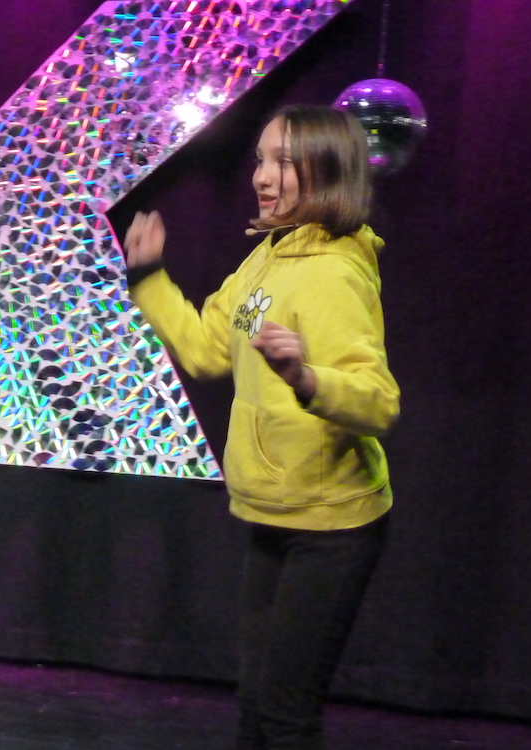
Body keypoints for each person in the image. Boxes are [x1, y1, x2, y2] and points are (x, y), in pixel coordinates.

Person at [124, 105, 400, 749]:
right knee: (256, 704)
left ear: (326, 172)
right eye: (260, 159)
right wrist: (148, 279)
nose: (262, 176)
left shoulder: (333, 272)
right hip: (273, 513)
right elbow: (205, 350)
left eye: (284, 162)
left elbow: (378, 403)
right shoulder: (268, 258)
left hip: (331, 528)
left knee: (284, 714)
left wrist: (307, 378)